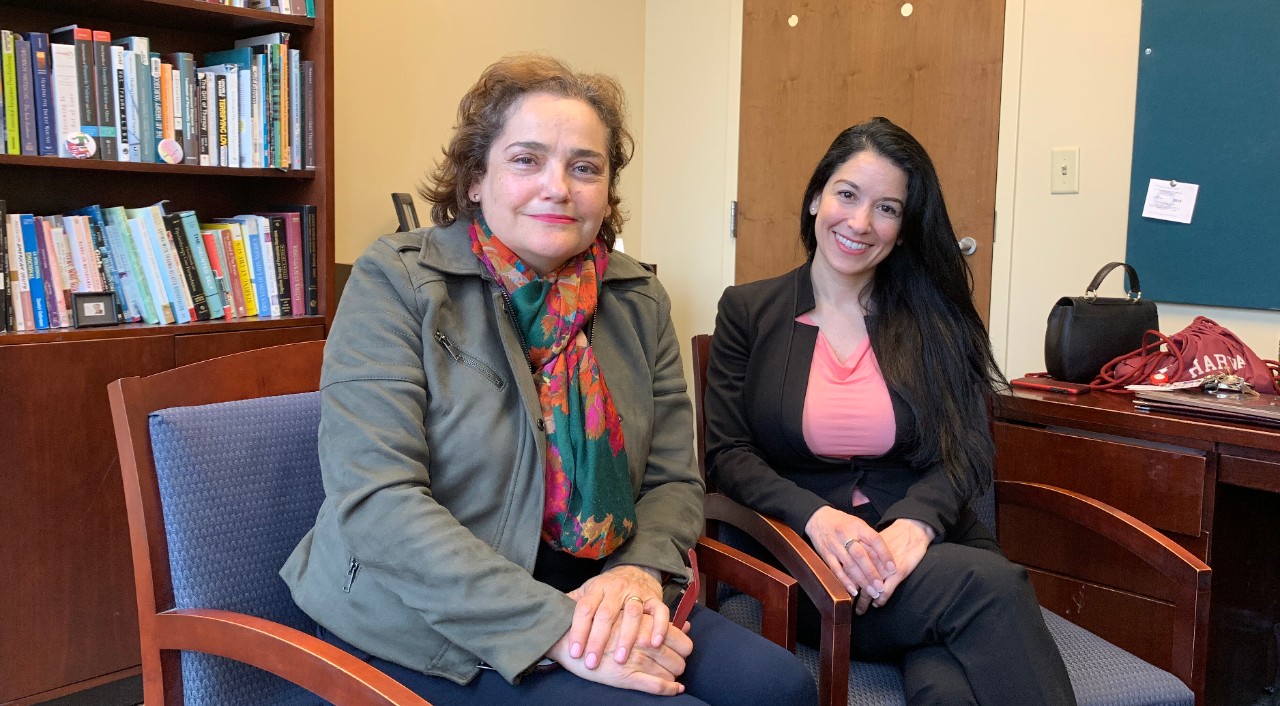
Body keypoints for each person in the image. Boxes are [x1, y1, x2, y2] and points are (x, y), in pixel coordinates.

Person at [281, 54, 815, 706]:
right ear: (475, 179)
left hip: (602, 586)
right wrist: (555, 628)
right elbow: (377, 502)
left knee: (782, 688)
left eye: (584, 167)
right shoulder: (396, 281)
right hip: (424, 612)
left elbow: (673, 480)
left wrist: (638, 578)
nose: (558, 186)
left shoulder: (638, 298)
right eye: (527, 160)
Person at [703, 117, 1076, 705]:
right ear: (814, 199)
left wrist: (916, 524)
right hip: (814, 561)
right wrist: (817, 519)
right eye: (846, 195)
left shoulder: (935, 319)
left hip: (930, 555)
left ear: (904, 229)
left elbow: (967, 448)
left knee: (947, 692)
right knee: (991, 589)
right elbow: (728, 454)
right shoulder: (749, 310)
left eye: (887, 208)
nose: (860, 222)